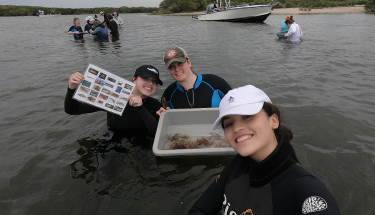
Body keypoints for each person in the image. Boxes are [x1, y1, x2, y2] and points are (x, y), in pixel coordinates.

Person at [188, 85, 341, 215]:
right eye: (229, 124)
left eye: (247, 116)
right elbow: (200, 210)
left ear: (274, 121)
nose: (237, 128)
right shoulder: (238, 164)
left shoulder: (305, 189)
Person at [64, 65, 163, 134]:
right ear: (134, 79)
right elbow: (72, 110)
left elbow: (156, 132)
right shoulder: (113, 96)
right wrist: (71, 89)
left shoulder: (155, 104)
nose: (150, 83)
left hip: (139, 142)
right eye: (145, 78)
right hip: (112, 139)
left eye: (154, 81)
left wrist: (141, 108)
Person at [157, 47, 231, 114]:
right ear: (168, 70)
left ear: (189, 62)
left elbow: (237, 104)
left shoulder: (215, 82)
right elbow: (165, 121)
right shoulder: (168, 94)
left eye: (180, 64)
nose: (177, 69)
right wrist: (162, 114)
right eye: (171, 67)